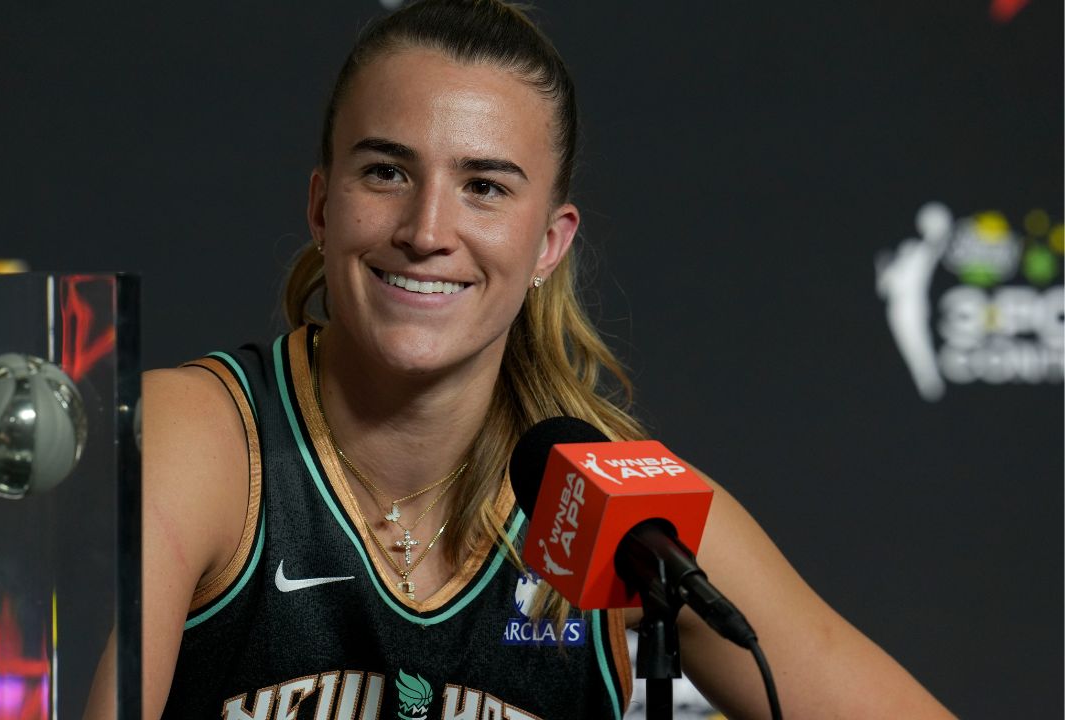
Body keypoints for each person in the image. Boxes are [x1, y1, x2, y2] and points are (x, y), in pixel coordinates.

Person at [134, 1, 956, 717]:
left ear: (549, 242)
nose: (426, 230)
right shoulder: (199, 438)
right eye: (386, 172)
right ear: (322, 206)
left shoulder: (614, 503)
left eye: (484, 186)